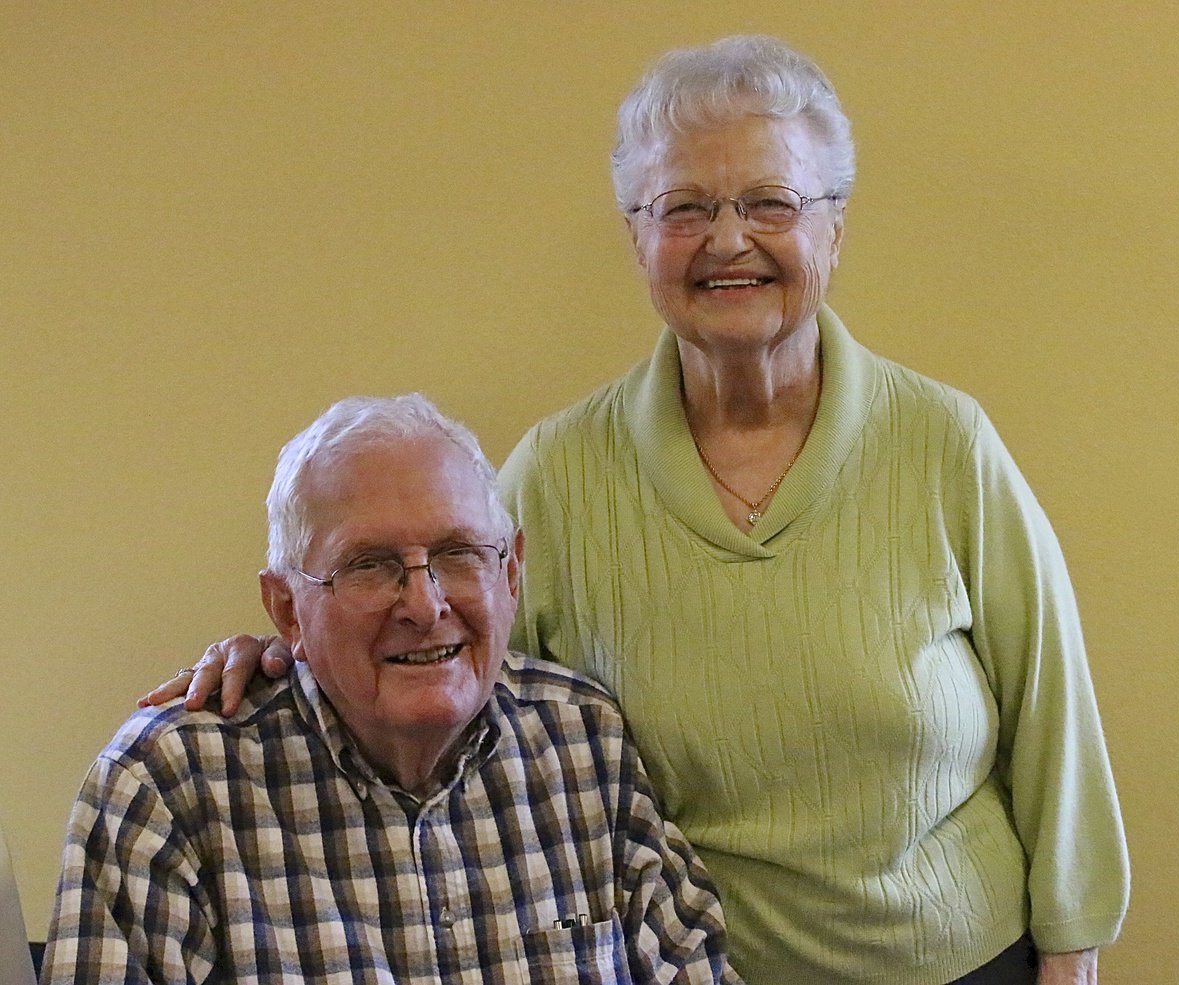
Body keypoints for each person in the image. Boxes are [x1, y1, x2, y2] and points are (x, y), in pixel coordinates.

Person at [143, 35, 1129, 985]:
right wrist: (286, 659)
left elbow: (1055, 713)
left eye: (770, 203)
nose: (728, 239)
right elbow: (434, 664)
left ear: (835, 225)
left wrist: (1073, 951)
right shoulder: (559, 476)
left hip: (962, 964)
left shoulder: (945, 444)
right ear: (638, 237)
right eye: (684, 207)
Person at [44, 395, 740, 984]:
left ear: (512, 572)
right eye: (371, 565)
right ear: (287, 609)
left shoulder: (581, 742)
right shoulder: (169, 791)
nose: (425, 603)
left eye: (458, 553)